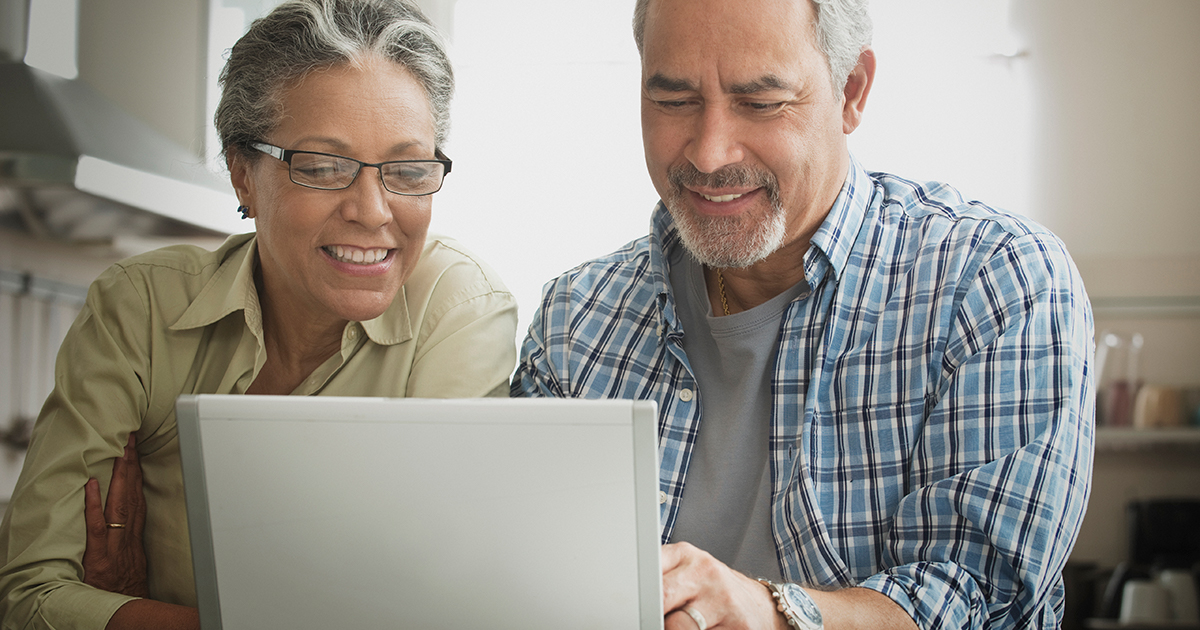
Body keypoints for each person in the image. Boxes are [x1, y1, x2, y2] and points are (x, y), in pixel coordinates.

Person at [513, 0, 1094, 629]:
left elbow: (979, 598)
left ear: (851, 91)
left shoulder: (994, 284)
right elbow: (526, 579)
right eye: (674, 100)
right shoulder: (574, 322)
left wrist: (772, 615)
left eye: (761, 103)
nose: (709, 155)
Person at [0, 1, 517, 628]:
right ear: (243, 173)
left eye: (407, 170)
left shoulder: (458, 308)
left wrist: (134, 611)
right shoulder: (140, 306)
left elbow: (425, 607)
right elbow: (30, 595)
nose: (374, 211)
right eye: (324, 166)